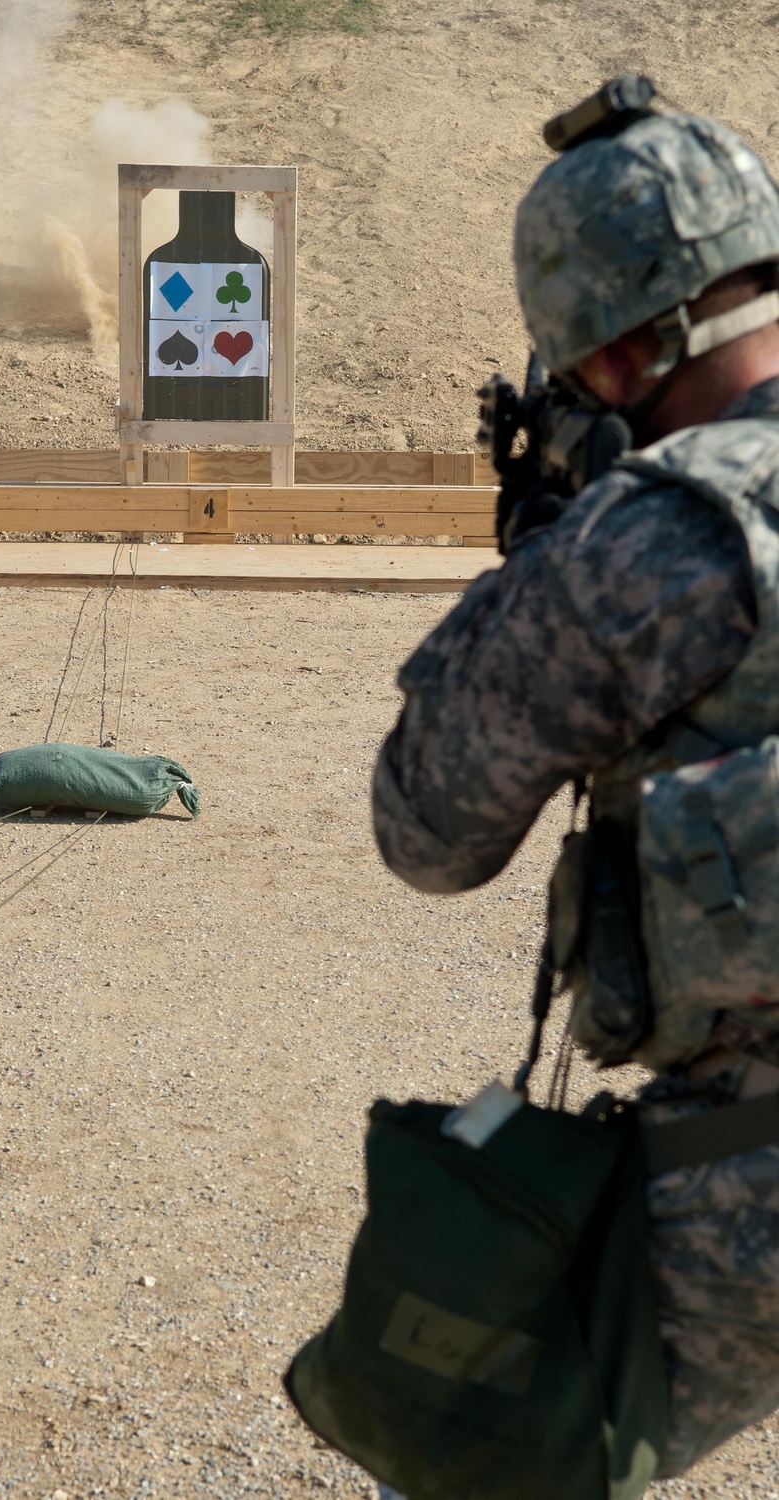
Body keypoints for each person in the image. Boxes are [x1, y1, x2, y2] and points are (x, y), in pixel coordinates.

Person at [372, 89, 779, 1480]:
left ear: (614, 354)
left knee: (479, 1424)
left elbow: (426, 824)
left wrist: (542, 563)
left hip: (752, 1178)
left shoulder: (655, 538)